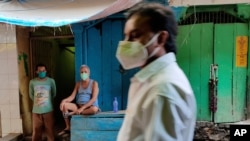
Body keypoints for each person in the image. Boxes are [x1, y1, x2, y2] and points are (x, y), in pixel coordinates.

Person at [116, 2, 197, 141]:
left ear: (160, 38)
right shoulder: (153, 81)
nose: (126, 43)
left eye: (135, 35)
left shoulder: (162, 89)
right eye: (126, 36)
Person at [58, 64, 99, 135]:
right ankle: (68, 127)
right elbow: (72, 96)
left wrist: (82, 109)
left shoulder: (94, 83)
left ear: (89, 73)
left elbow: (93, 99)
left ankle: (74, 113)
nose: (84, 74)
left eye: (85, 72)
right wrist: (63, 101)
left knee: (94, 109)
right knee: (65, 105)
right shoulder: (78, 83)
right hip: (78, 106)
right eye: (82, 72)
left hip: (89, 107)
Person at [29, 63, 56, 141]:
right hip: (36, 111)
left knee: (50, 131)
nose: (42, 72)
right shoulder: (32, 82)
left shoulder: (51, 81)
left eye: (43, 70)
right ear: (36, 72)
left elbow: (54, 94)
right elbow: (31, 95)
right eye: (40, 71)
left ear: (46, 71)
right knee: (36, 132)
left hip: (48, 110)